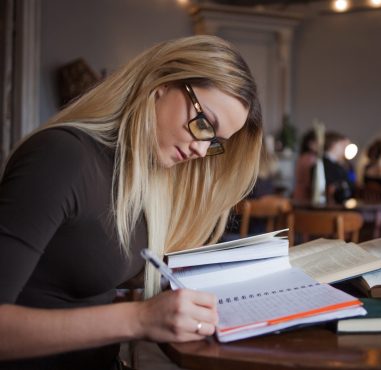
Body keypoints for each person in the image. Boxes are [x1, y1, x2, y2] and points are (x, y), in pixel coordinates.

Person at [0, 35, 263, 370]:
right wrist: (138, 319)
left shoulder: (139, 178)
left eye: (215, 141)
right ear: (160, 85)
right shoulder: (61, 156)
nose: (201, 150)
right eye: (203, 123)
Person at [321, 131, 354, 203]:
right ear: (333, 145)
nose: (344, 149)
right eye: (342, 146)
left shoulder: (340, 164)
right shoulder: (325, 165)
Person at [292, 130, 317, 202]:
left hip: (298, 192)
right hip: (305, 196)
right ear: (310, 144)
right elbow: (308, 182)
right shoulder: (310, 159)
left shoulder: (302, 157)